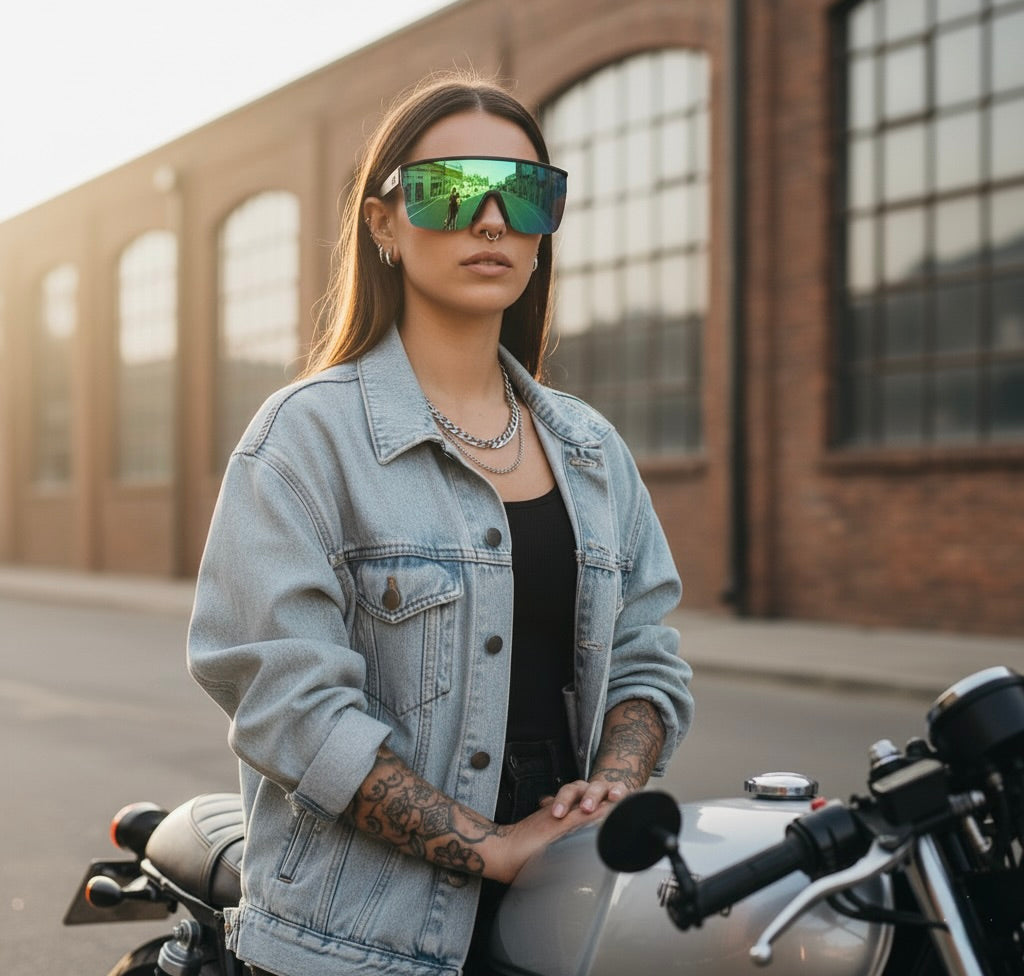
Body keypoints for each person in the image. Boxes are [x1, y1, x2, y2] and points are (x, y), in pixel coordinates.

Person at [187, 71, 693, 976]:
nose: (491, 218)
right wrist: (489, 845)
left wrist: (611, 789)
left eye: (526, 192)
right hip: (357, 939)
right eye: (452, 190)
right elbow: (284, 701)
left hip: (566, 904)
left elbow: (648, 651)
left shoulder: (591, 449)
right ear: (383, 223)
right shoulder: (303, 440)